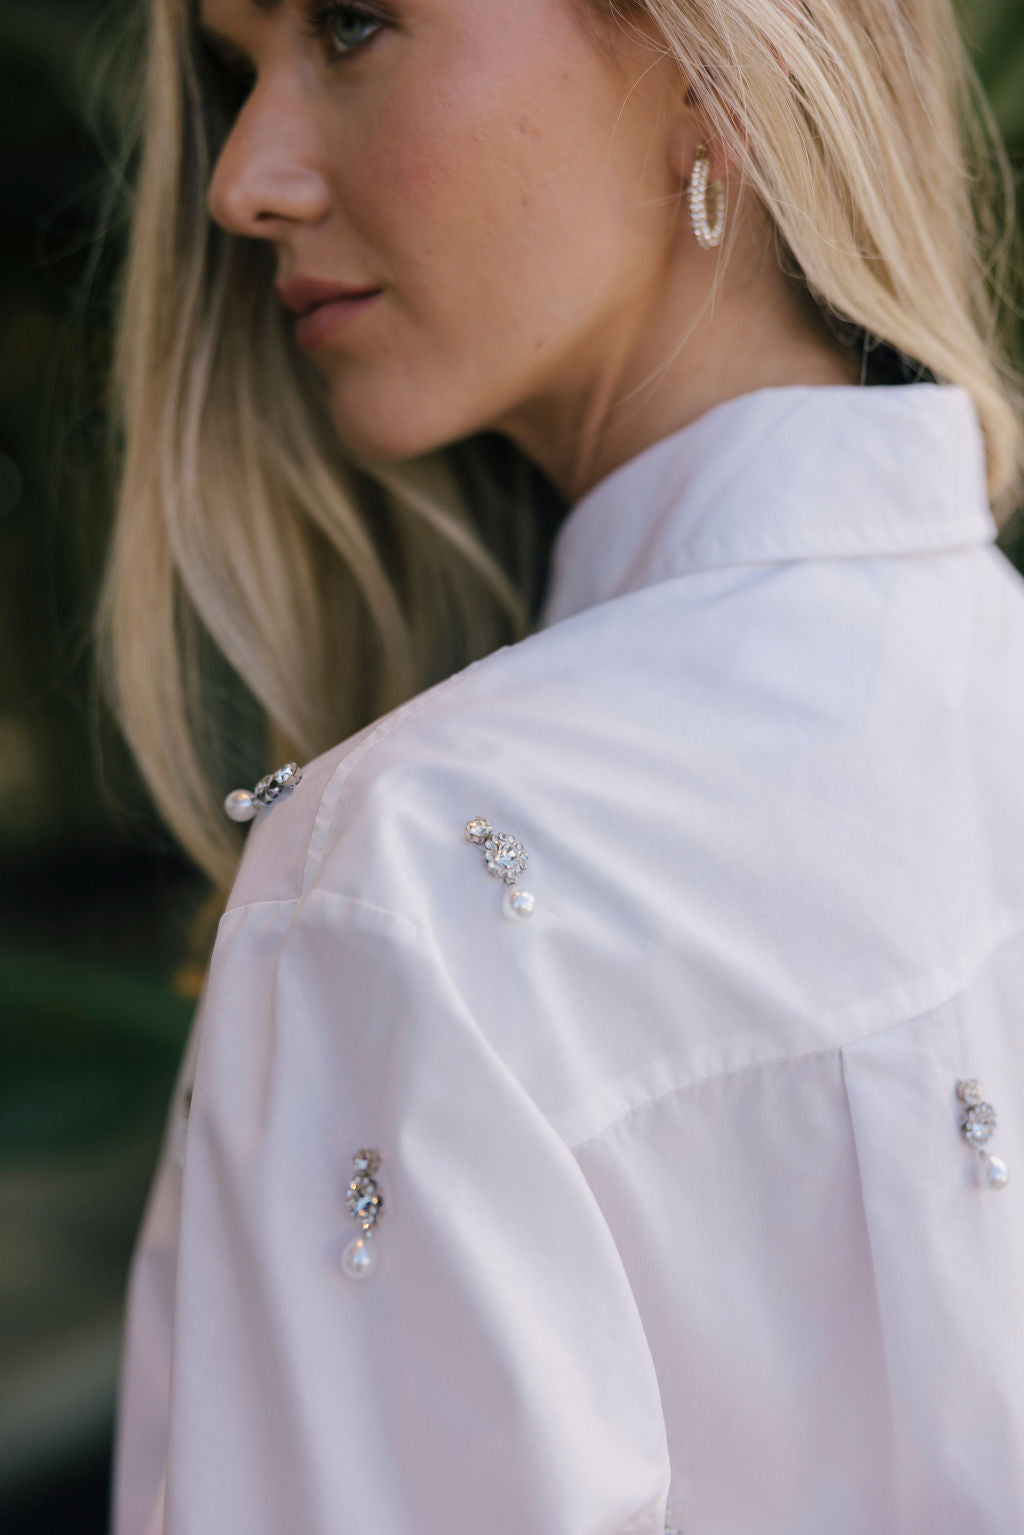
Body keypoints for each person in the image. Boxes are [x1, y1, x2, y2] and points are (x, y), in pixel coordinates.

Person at [101, 0, 1024, 1527]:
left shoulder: (398, 879)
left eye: (351, 26)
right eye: (234, 72)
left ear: (711, 66)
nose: (239, 181)